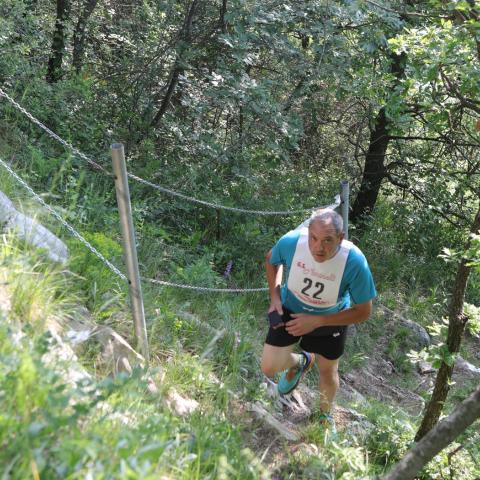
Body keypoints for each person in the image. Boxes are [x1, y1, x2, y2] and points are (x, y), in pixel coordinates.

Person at [261, 209, 376, 430]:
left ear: (340, 238)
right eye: (314, 238)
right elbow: (271, 259)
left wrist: (318, 321)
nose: (318, 247)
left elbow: (364, 311)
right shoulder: (292, 241)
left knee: (327, 370)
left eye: (327, 240)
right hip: (290, 310)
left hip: (330, 320)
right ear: (308, 232)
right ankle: (301, 362)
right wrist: (275, 297)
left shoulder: (354, 262)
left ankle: (324, 416)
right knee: (269, 367)